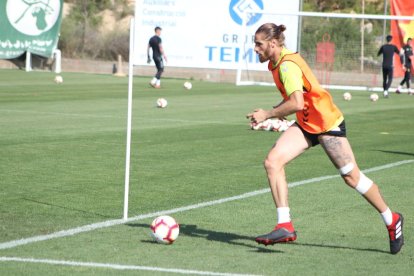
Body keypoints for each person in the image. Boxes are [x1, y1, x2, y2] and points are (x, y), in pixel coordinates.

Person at [246, 23, 404, 254]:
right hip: (307, 124)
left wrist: (268, 114)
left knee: (352, 178)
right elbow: (298, 103)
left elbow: (297, 102)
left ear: (272, 43)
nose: (255, 48)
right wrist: (276, 114)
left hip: (327, 124)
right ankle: (284, 225)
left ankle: (392, 219)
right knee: (273, 162)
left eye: (258, 44)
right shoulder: (277, 61)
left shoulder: (286, 66)